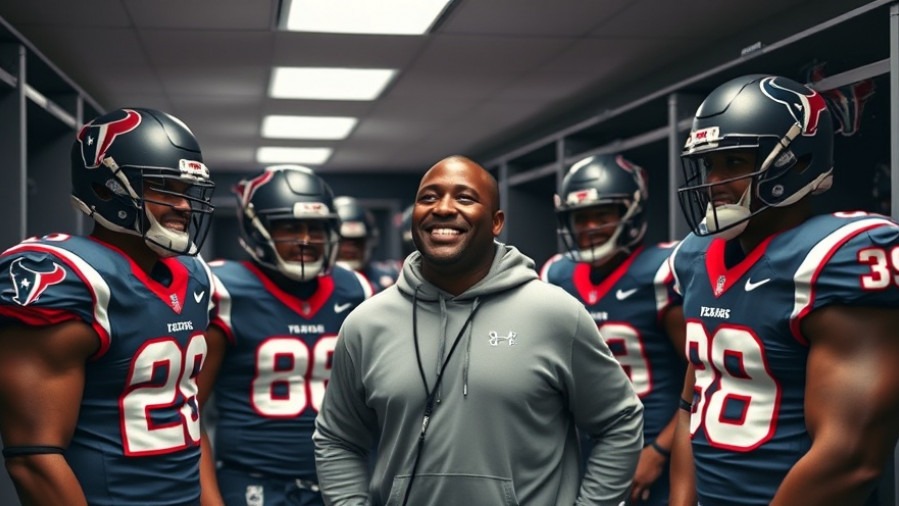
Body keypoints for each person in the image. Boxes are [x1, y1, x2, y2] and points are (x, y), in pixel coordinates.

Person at [314, 155, 644, 505]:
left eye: (465, 198)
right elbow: (338, 438)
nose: (442, 208)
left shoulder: (554, 313)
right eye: (428, 197)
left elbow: (619, 421)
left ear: (496, 221)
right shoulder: (367, 323)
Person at [668, 74, 899, 505]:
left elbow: (851, 458)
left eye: (734, 163)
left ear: (796, 161)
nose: (714, 180)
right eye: (709, 164)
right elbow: (691, 405)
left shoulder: (836, 259)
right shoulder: (696, 257)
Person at [0, 107, 216, 505]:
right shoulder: (68, 278)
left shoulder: (194, 276)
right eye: (165, 187)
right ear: (104, 188)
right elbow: (34, 457)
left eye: (186, 191)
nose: (184, 206)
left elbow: (186, 413)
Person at [198, 165, 374, 506]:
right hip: (252, 483)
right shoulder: (223, 291)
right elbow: (188, 411)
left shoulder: (354, 289)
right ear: (257, 229)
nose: (306, 240)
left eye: (316, 228)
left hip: (340, 479)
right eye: (289, 227)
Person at [540, 154, 685, 505]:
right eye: (580, 217)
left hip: (653, 440)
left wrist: (659, 451)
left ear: (630, 213)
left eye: (602, 215)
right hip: (586, 442)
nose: (589, 227)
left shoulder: (661, 274)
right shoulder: (557, 276)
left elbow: (703, 375)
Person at [334, 195, 400, 292]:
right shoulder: (318, 280)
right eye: (344, 241)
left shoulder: (387, 279)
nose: (350, 248)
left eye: (358, 241)